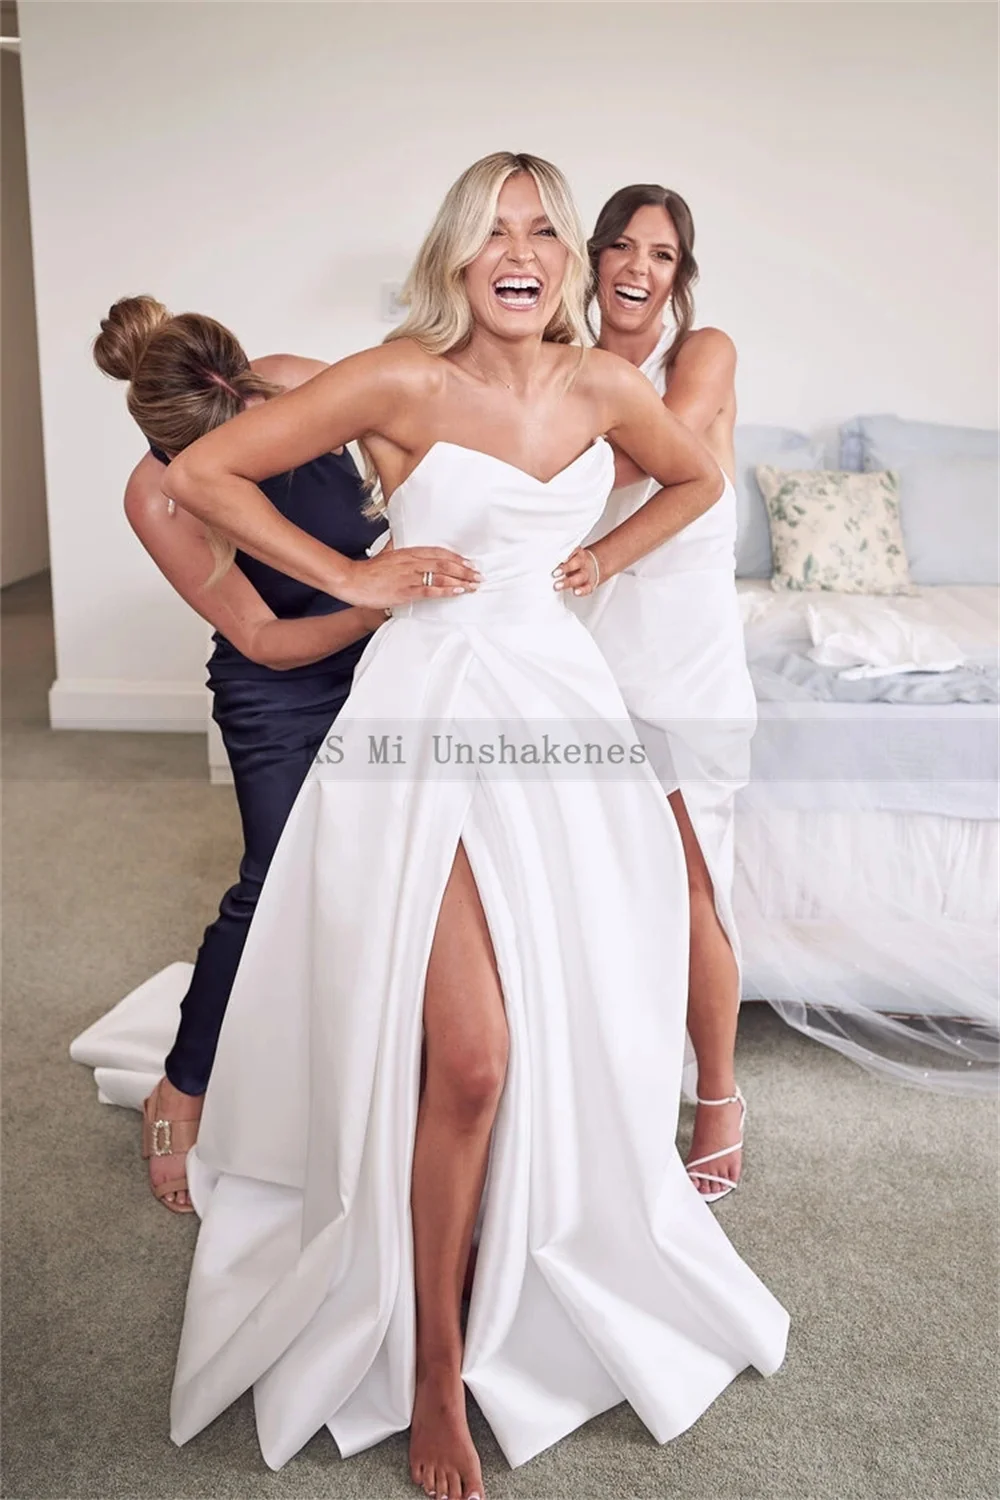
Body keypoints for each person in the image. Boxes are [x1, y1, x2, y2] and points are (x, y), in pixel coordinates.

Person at [160, 153, 789, 1499]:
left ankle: (512, 1249)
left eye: (543, 230)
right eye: (494, 229)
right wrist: (352, 577)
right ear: (457, 253)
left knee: (568, 1020)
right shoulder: (399, 378)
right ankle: (435, 1365)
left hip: (561, 717)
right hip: (428, 721)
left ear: (567, 260)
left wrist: (603, 558)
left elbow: (695, 481)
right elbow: (206, 472)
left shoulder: (604, 384)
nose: (521, 250)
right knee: (473, 1057)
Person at [90, 299, 390, 1211]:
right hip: (278, 687)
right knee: (273, 879)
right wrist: (377, 601)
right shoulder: (154, 495)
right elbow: (262, 637)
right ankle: (181, 1085)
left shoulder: (297, 380)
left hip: (389, 657)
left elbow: (412, 452)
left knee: (394, 866)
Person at [568, 184, 754, 1202]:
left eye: (663, 255)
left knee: (688, 876)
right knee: (592, 874)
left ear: (680, 276)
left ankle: (718, 1094)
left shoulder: (702, 353)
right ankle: (612, 1080)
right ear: (594, 259)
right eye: (624, 248)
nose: (639, 268)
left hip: (678, 653)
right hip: (582, 647)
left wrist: (517, 462)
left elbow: (657, 454)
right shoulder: (561, 364)